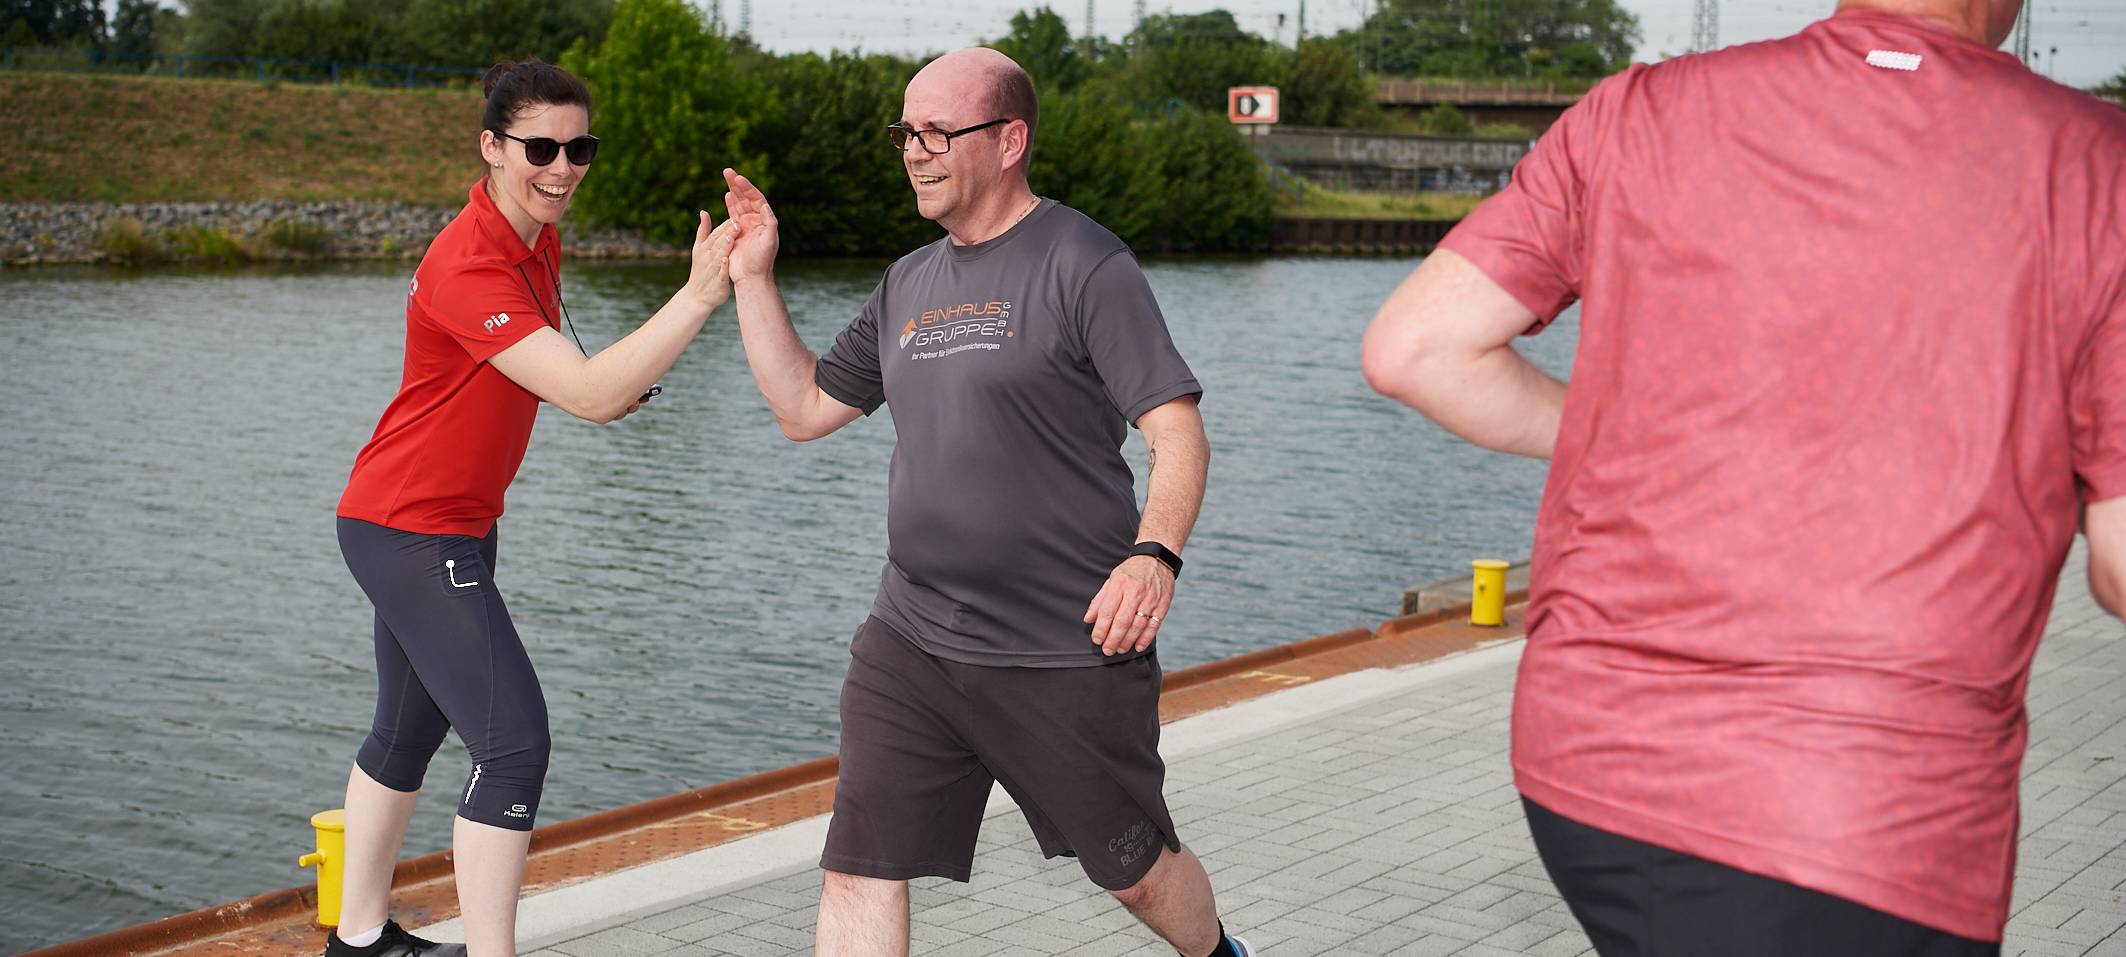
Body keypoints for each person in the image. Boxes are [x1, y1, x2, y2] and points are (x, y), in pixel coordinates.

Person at [1361, 0, 2126, 953]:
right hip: (1860, 812)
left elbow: (1416, 348)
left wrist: (1633, 438)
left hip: (1589, 764)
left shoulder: (1640, 109)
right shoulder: (2098, 168)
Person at [718, 47, 1254, 957]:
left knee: (1139, 873)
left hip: (1061, 646)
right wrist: (754, 277)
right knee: (859, 865)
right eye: (906, 132)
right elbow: (804, 407)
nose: (915, 151)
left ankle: (1219, 953)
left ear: (1010, 140)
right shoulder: (908, 283)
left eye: (937, 131)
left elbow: (1178, 431)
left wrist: (1153, 554)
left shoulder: (1086, 264)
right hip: (912, 640)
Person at [325, 60, 734, 957]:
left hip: (449, 518)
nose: (562, 166)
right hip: (411, 525)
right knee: (513, 745)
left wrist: (610, 387)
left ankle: (357, 941)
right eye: (540, 147)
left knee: (408, 725)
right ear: (491, 147)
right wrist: (701, 291)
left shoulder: (530, 235)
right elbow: (583, 391)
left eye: (578, 147)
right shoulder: (471, 258)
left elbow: (547, 377)